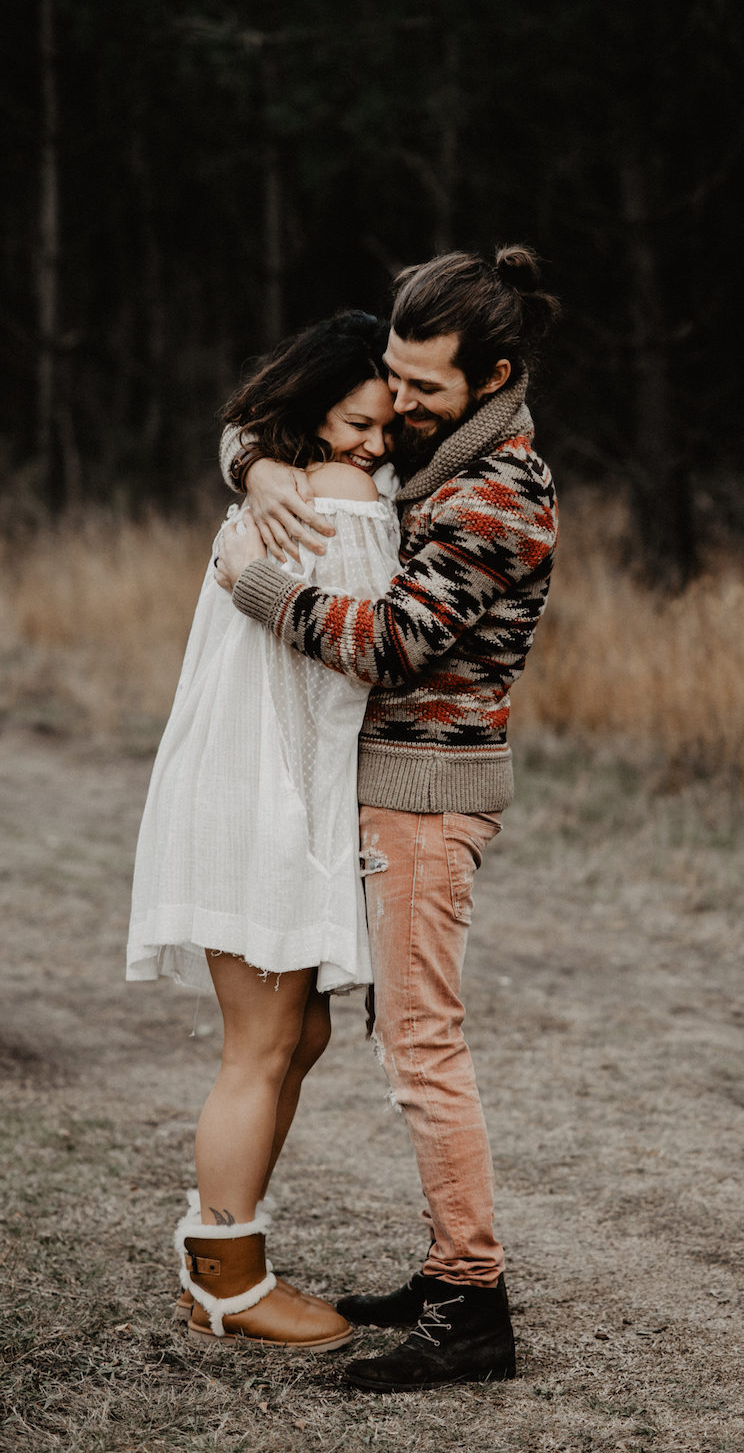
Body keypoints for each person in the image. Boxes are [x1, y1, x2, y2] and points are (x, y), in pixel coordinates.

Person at [215, 244, 559, 1390]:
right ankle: (444, 1271)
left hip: (427, 798)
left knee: (422, 1049)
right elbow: (281, 410)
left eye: (422, 389)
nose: (398, 408)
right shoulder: (438, 445)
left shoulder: (501, 490)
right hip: (384, 791)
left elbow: (385, 642)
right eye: (395, 384)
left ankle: (471, 1306)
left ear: (494, 373)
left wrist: (252, 578)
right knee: (406, 1041)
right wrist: (256, 468)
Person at [127, 311, 401, 1351]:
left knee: (302, 1032)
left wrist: (253, 464)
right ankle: (226, 1279)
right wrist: (268, 468)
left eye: (385, 429)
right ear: (311, 407)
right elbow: (374, 644)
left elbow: (243, 435)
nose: (374, 445)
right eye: (356, 421)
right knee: (262, 1042)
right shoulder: (339, 496)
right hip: (262, 794)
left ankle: (235, 1255)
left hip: (254, 781)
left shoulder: (287, 473)